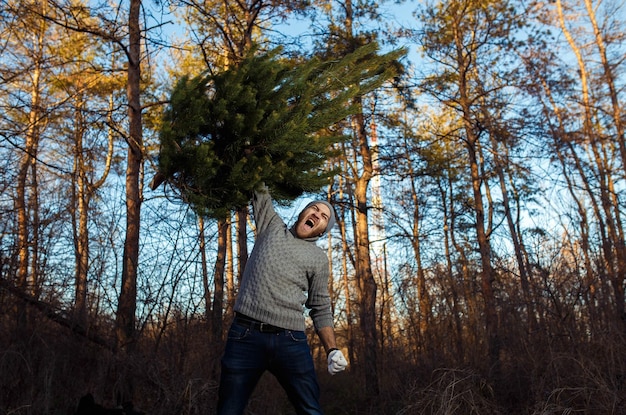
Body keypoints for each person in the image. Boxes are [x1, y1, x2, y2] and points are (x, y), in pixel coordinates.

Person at [217, 184, 348, 415]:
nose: (317, 214)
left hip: (290, 341)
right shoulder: (271, 226)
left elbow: (320, 307)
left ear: (321, 231)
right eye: (314, 209)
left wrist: (332, 350)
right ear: (303, 213)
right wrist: (254, 150)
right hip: (245, 336)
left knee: (310, 410)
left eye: (324, 217)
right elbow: (259, 186)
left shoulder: (318, 259)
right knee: (228, 410)